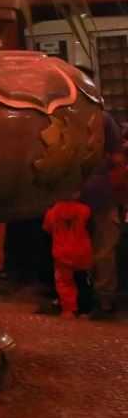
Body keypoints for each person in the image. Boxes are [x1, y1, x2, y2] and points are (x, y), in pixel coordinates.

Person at [81, 110, 126, 319]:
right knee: (104, 246)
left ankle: (81, 295)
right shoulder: (102, 118)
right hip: (103, 190)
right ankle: (104, 299)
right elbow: (117, 159)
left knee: (77, 245)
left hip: (72, 190)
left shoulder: (65, 114)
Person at [43, 193, 93, 319]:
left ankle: (69, 310)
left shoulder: (52, 212)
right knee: (83, 280)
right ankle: (85, 310)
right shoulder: (84, 210)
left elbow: (47, 229)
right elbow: (91, 227)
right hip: (82, 251)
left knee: (64, 282)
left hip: (61, 252)